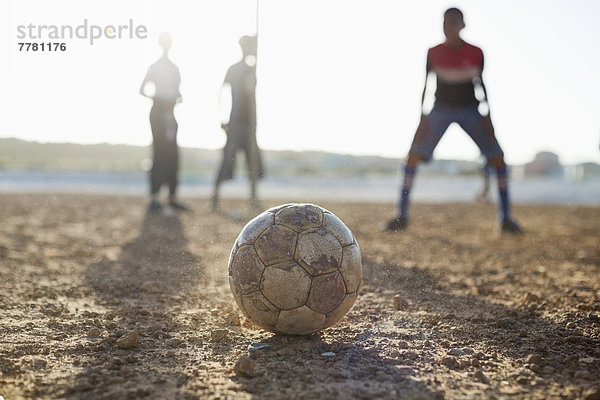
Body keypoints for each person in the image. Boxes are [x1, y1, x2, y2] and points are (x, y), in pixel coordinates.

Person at [385, 8, 522, 233]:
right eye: (445, 23)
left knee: (498, 158)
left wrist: (489, 118)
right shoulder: (433, 52)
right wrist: (422, 119)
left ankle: (506, 219)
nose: (448, 27)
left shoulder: (476, 52)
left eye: (453, 23)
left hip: (471, 109)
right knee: (412, 156)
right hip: (440, 109)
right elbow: (425, 85)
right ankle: (401, 216)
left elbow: (482, 85)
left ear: (462, 25)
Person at [211, 35, 263, 211]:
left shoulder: (252, 70)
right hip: (235, 123)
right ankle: (215, 197)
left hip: (249, 125)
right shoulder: (234, 69)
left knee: (253, 162)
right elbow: (222, 93)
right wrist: (222, 118)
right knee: (227, 161)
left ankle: (253, 198)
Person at [140, 32, 187, 212]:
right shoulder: (155, 67)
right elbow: (142, 89)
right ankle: (154, 196)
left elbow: (178, 91)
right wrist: (159, 97)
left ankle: (172, 195)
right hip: (159, 112)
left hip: (170, 112)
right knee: (159, 153)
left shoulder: (174, 68)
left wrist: (176, 97)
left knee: (172, 153)